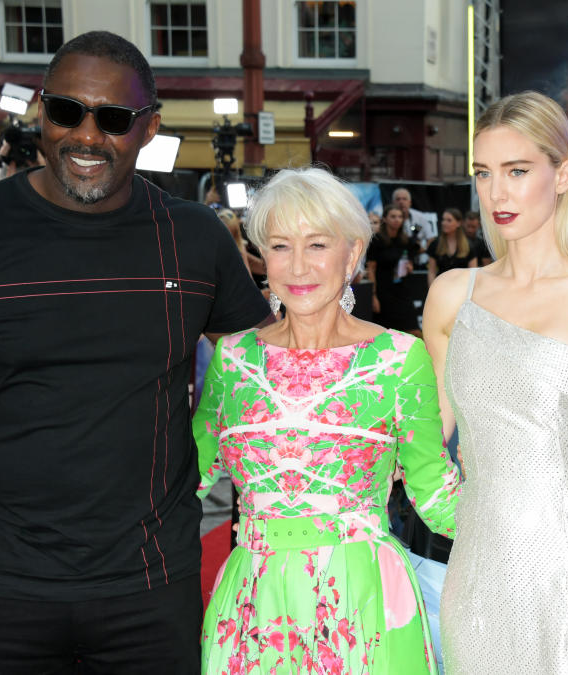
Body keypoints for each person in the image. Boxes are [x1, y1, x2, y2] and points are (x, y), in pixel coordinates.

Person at [0, 31, 271, 673]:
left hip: (150, 588)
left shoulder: (193, 237)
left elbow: (269, 371)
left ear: (149, 128)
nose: (85, 136)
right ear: (41, 110)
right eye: (66, 111)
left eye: (112, 119)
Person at [424, 91, 568, 674]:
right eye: (484, 174)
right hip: (480, 567)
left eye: (517, 171)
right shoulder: (452, 295)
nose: (497, 193)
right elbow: (425, 442)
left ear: (562, 175)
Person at [194, 167, 460, 674]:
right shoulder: (233, 359)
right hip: (253, 603)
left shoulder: (400, 358)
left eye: (317, 244)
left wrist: (540, 522)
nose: (297, 266)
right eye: (279, 246)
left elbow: (434, 494)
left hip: (363, 600)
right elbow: (187, 481)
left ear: (353, 254)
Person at [366, 204, 420, 335]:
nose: (397, 219)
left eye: (400, 217)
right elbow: (371, 269)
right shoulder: (376, 240)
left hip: (402, 289)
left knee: (414, 331)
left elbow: (411, 256)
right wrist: (373, 296)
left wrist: (410, 265)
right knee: (385, 333)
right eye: (393, 216)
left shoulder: (405, 240)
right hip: (383, 291)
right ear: (385, 219)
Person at [426, 207, 478, 286]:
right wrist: (432, 289)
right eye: (443, 219)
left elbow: (473, 272)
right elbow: (431, 271)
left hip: (462, 289)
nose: (444, 223)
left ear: (458, 223)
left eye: (449, 220)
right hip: (441, 287)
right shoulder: (435, 244)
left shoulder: (469, 245)